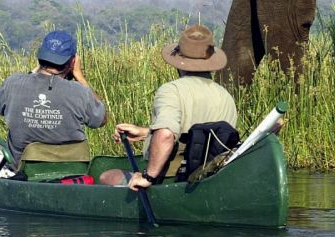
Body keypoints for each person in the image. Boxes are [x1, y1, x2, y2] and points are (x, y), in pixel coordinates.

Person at [0, 30, 107, 178]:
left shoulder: (14, 83)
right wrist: (79, 75)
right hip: (73, 171)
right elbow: (101, 119)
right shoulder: (80, 92)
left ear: (40, 57)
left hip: (21, 172)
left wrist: (35, 71)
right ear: (72, 62)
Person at [98, 24, 238, 190]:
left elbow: (165, 135)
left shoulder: (172, 90)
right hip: (212, 181)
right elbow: (201, 135)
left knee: (108, 176)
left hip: (173, 180)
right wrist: (146, 133)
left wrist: (148, 177)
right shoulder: (226, 96)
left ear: (179, 62)